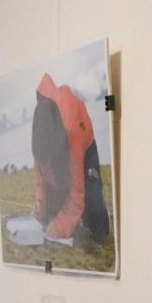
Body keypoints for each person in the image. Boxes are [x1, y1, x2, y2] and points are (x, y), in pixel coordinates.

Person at [31, 72, 109, 244]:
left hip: (83, 145)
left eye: (47, 162)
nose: (44, 165)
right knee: (51, 212)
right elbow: (40, 177)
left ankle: (99, 225)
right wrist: (40, 201)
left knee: (95, 220)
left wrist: (61, 225)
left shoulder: (71, 132)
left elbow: (77, 189)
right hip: (59, 146)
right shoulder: (41, 130)